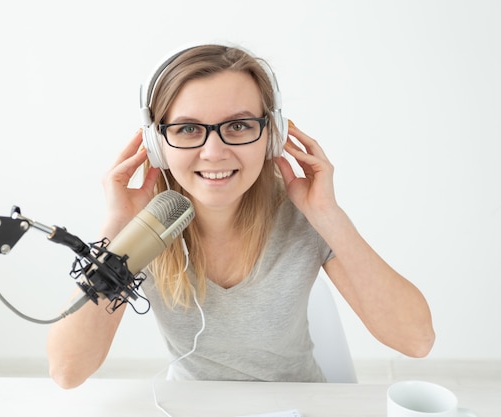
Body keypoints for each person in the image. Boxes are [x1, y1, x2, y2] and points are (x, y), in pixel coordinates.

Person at [47, 43, 435, 389]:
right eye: (186, 129)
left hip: (297, 404)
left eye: (238, 125)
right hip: (194, 404)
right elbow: (68, 372)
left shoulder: (303, 215)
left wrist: (329, 216)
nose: (214, 152)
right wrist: (117, 231)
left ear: (273, 133)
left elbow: (416, 341)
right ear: (157, 143)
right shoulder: (151, 225)